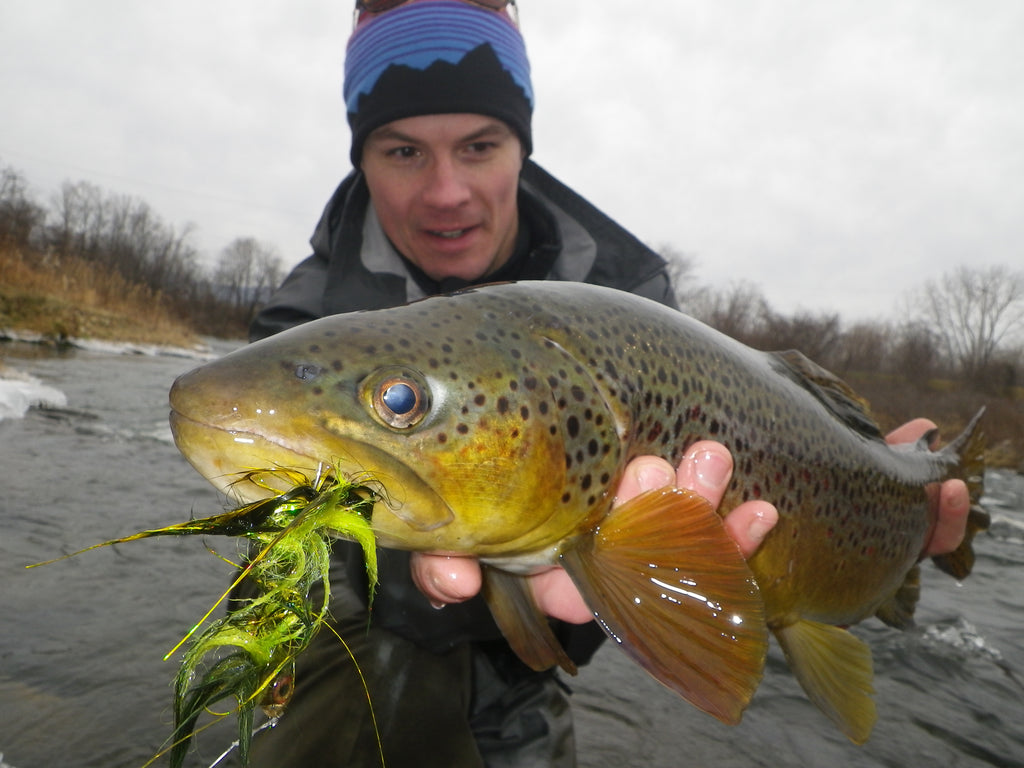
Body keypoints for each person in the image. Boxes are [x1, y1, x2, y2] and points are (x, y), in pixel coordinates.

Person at [242, 2, 971, 765]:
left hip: (545, 663)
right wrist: (421, 592)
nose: (447, 191)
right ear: (361, 156)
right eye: (403, 152)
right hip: (359, 649)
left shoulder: (632, 290)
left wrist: (890, 514)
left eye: (479, 145)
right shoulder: (299, 327)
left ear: (521, 146)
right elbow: (272, 573)